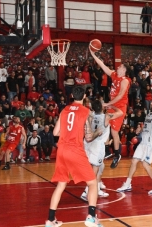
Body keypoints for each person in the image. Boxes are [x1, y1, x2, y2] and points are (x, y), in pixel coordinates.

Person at [46, 86, 102, 227]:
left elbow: (55, 132)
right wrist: (97, 133)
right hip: (74, 150)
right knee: (92, 183)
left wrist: (68, 132)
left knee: (61, 184)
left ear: (71, 95)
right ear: (84, 96)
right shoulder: (86, 111)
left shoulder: (64, 110)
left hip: (62, 149)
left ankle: (50, 220)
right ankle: (91, 217)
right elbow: (88, 137)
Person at [117, 97, 152, 194]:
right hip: (143, 142)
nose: (151, 103)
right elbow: (146, 126)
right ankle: (128, 184)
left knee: (145, 163)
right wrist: (140, 130)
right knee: (134, 161)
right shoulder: (149, 114)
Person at [90, 48, 130, 169]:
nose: (118, 67)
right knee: (105, 126)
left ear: (124, 70)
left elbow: (120, 95)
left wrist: (108, 104)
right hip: (112, 105)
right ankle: (108, 150)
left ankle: (116, 154)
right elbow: (102, 65)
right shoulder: (114, 75)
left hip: (120, 108)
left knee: (114, 131)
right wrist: (93, 54)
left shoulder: (125, 80)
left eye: (120, 67)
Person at [81, 100, 122, 200]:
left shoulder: (90, 115)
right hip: (97, 145)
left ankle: (97, 189)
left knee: (98, 167)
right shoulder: (106, 117)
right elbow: (121, 112)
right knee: (95, 170)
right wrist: (111, 106)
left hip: (88, 143)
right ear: (102, 107)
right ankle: (86, 192)